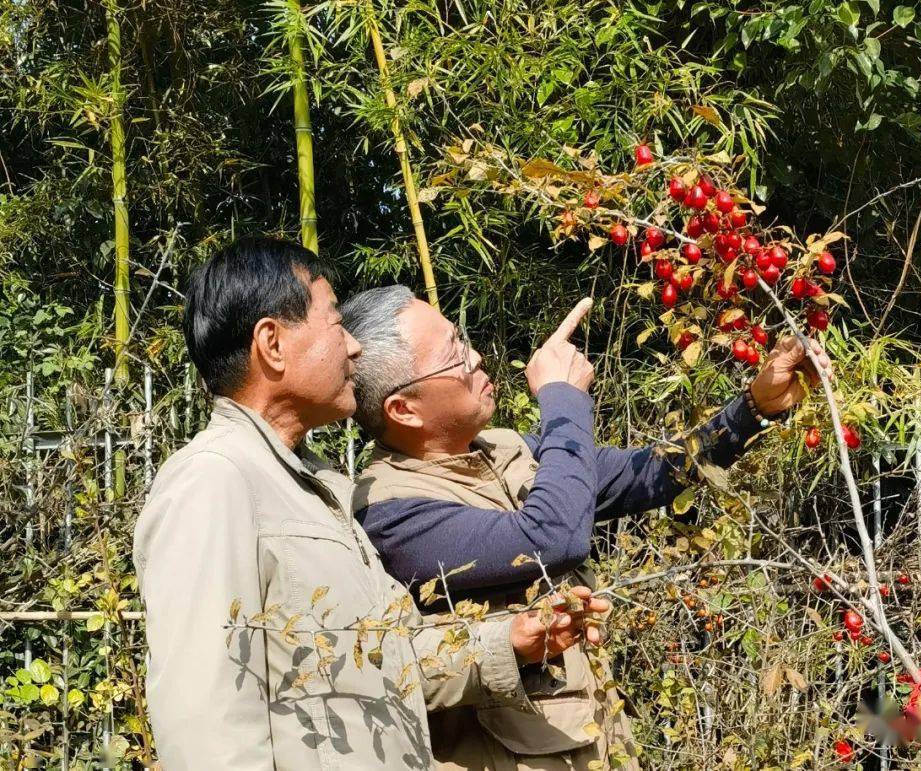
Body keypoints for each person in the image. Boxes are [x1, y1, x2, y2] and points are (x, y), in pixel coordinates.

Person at [134, 238, 608, 770]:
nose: (354, 349)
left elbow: (386, 657)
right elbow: (204, 723)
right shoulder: (214, 482)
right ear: (272, 343)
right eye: (336, 324)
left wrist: (508, 643)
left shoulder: (321, 492)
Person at [342, 285, 835, 770]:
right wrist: (563, 400)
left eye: (463, 339)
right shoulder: (391, 512)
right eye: (454, 355)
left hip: (595, 744)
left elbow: (652, 474)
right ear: (403, 408)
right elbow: (550, 539)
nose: (475, 358)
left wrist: (754, 408)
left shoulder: (508, 449)